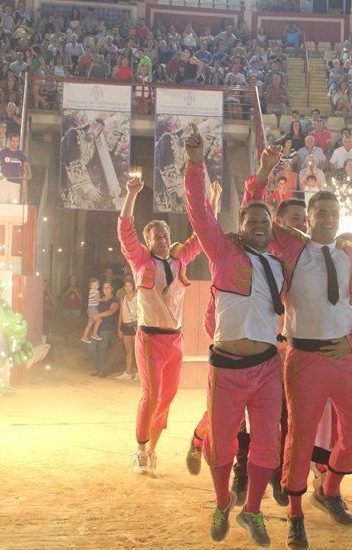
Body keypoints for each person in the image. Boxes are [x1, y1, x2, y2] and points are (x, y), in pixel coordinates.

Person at [245, 151, 352, 547]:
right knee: (300, 437)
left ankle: (330, 490)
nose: (330, 219)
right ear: (309, 217)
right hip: (302, 356)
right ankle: (295, 513)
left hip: (344, 357)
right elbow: (254, 212)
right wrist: (263, 171)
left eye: (335, 212)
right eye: (322, 213)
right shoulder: (292, 247)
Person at [184, 129, 285, 546]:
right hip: (225, 369)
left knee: (269, 444)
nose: (259, 226)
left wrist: (263, 175)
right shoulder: (223, 251)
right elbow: (198, 213)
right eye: (251, 222)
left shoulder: (281, 265)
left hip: (266, 370)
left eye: (265, 222)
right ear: (240, 227)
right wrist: (195, 164)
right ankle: (223, 501)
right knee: (221, 444)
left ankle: (254, 511)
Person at [117, 173, 203, 475]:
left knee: (166, 398)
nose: (163, 241)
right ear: (148, 241)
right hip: (150, 338)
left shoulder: (180, 262)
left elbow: (200, 239)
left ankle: (152, 450)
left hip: (174, 341)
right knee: (151, 394)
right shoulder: (140, 260)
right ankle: (140, 451)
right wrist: (132, 195)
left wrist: (213, 206)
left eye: (165, 236)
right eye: (156, 237)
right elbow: (125, 232)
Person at [86, 281, 118, 378]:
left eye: (108, 288)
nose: (106, 290)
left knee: (102, 348)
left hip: (106, 327)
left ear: (112, 289)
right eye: (104, 288)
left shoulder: (114, 300)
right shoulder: (99, 299)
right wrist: (90, 314)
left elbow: (111, 311)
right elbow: (91, 307)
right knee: (91, 348)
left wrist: (98, 315)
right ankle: (97, 368)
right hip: (95, 326)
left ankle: (101, 370)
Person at [0, 134, 31, 203]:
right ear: (10, 141)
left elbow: (27, 165)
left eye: (17, 141)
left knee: (14, 205)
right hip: (3, 182)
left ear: (19, 142)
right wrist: (0, 175)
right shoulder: (3, 152)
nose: (15, 143)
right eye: (13, 141)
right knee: (1, 203)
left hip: (16, 183)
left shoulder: (21, 154)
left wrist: (29, 174)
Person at [116, 278, 139, 381]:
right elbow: (121, 314)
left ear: (133, 287)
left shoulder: (137, 298)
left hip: (135, 326)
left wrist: (138, 329)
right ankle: (128, 372)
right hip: (125, 326)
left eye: (129, 286)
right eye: (126, 286)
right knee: (128, 350)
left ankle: (139, 373)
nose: (127, 288)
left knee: (137, 351)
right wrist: (119, 328)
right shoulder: (123, 298)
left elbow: (141, 313)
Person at [80, 278, 102, 344]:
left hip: (92, 308)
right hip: (93, 308)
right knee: (99, 320)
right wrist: (102, 300)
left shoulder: (96, 291)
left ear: (99, 285)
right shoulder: (92, 291)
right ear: (90, 286)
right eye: (93, 285)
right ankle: (94, 334)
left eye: (96, 285)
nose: (95, 286)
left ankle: (84, 336)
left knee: (89, 324)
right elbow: (95, 298)